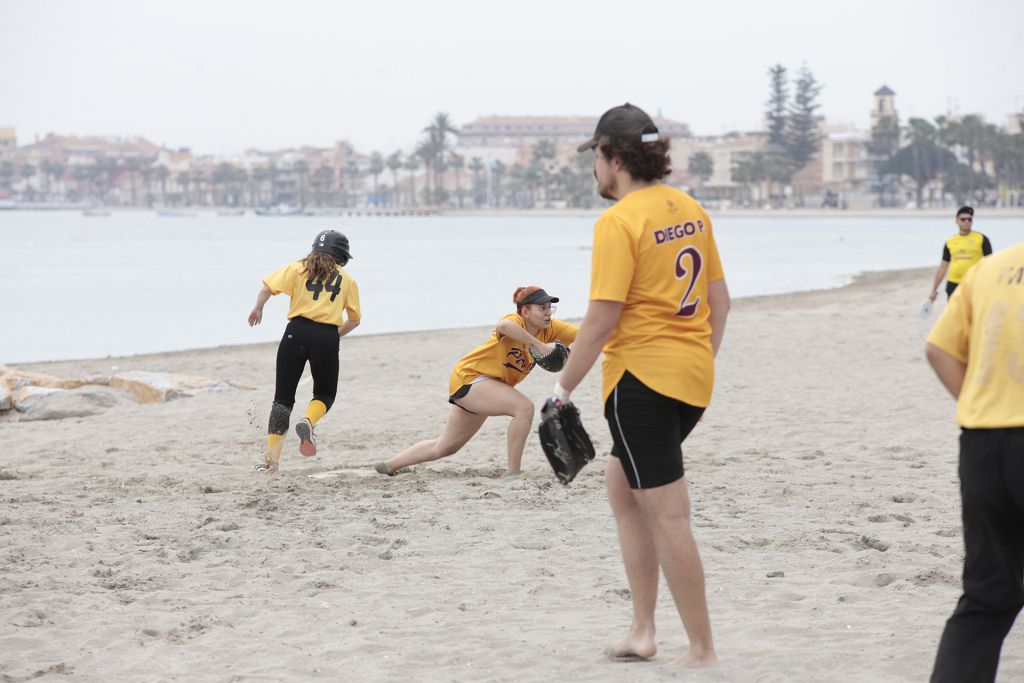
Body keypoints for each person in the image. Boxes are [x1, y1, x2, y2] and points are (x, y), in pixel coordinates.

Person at [551, 103, 730, 668]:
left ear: (614, 156)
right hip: (691, 380)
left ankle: (700, 648)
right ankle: (643, 628)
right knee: (622, 488)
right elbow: (719, 303)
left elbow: (601, 321)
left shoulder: (619, 220)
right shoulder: (691, 209)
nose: (595, 171)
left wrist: (561, 390)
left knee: (668, 512)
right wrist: (695, 357)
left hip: (640, 384)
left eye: (597, 158)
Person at [925, 241, 1024, 682]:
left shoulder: (990, 268)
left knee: (986, 597)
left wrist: (980, 406)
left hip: (983, 446)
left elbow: (939, 350)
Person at [373, 286, 577, 477]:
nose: (548, 312)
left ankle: (389, 465)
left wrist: (573, 352)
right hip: (471, 379)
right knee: (523, 408)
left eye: (550, 308)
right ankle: (514, 474)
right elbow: (504, 326)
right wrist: (539, 346)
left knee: (446, 447)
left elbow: (584, 337)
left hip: (489, 387)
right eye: (542, 308)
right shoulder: (514, 321)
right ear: (525, 312)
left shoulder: (550, 328)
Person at [247, 230, 361, 473]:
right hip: (327, 336)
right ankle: (308, 421)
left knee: (282, 399)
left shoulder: (297, 268)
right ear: (342, 256)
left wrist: (258, 309)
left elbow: (267, 288)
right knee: (325, 393)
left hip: (295, 333)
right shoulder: (347, 280)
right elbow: (354, 320)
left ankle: (271, 462)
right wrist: (331, 337)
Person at [928, 205, 993, 302]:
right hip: (953, 284)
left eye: (969, 219)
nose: (966, 222)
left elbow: (990, 263)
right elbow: (943, 267)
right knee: (955, 315)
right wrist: (934, 289)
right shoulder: (950, 242)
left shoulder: (982, 239)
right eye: (963, 219)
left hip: (974, 283)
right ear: (957, 221)